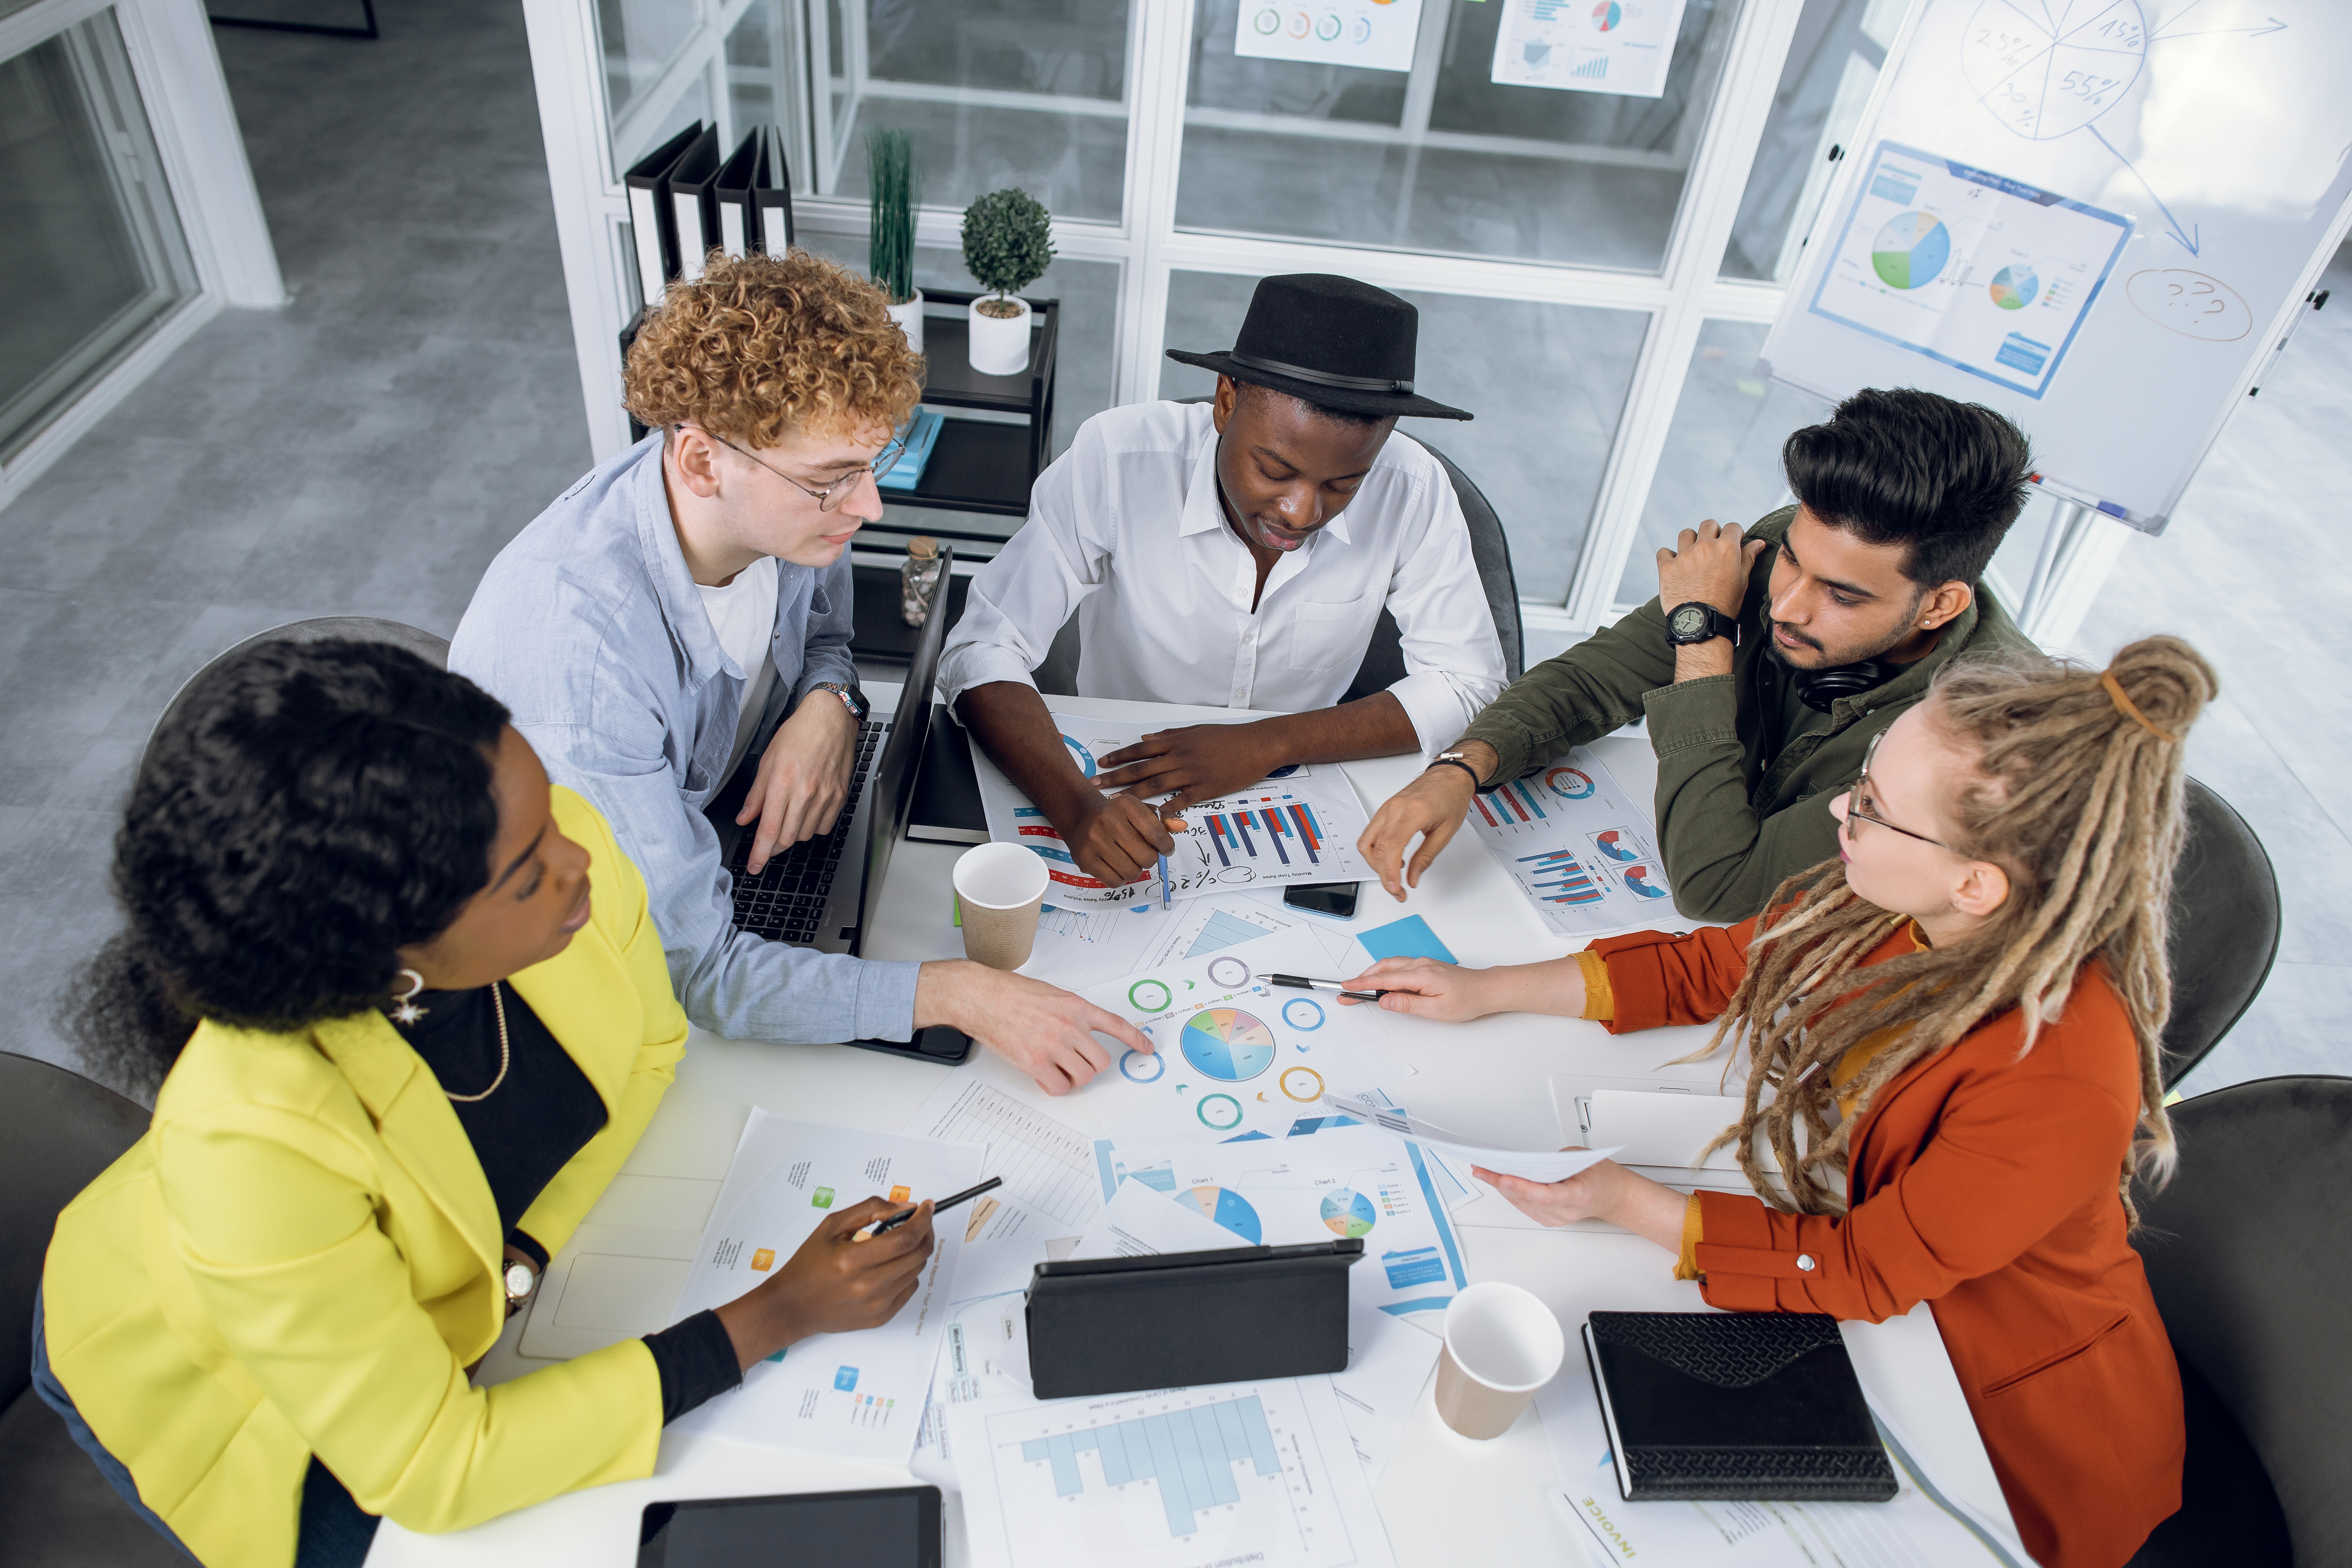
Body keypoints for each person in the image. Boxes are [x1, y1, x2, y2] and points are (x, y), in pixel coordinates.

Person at [35, 640, 940, 1568]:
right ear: (388, 956)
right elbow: (437, 1469)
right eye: (525, 874)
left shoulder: (554, 853)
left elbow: (651, 1046)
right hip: (226, 1391)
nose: (581, 856)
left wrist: (524, 1256)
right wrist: (773, 1316)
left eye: (548, 814)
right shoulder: (252, 1144)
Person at [1342, 636, 2211, 1568]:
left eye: (1874, 807)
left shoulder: (2062, 1074)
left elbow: (1867, 1272)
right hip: (1897, 1301)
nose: (1843, 809)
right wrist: (1487, 988)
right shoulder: (1902, 891)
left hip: (2011, 1425)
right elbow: (1727, 963)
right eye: (1865, 780)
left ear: (1978, 882)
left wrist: (1625, 1201)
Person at [450, 250, 1148, 1096]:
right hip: (605, 981)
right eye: (833, 480)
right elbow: (701, 971)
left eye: (871, 464)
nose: (870, 508)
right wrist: (954, 992)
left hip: (735, 833)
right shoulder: (579, 672)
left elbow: (829, 639)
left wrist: (832, 702)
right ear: (703, 460)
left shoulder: (787, 518)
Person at [1359, 387, 2038, 922]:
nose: (1787, 606)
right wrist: (1462, 766)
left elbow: (1720, 885)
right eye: (1794, 560)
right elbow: (1595, 679)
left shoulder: (1983, 736)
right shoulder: (1782, 553)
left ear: (1941, 605)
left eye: (1842, 595)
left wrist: (1702, 639)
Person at [938, 273, 1507, 893]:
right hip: (1117, 782)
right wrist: (1075, 808)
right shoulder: (1117, 458)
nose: (1301, 512)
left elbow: (1472, 683)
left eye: (1343, 485)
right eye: (1275, 469)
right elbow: (981, 648)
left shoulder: (1413, 489)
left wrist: (1268, 742)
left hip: (1300, 787)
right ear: (1227, 402)